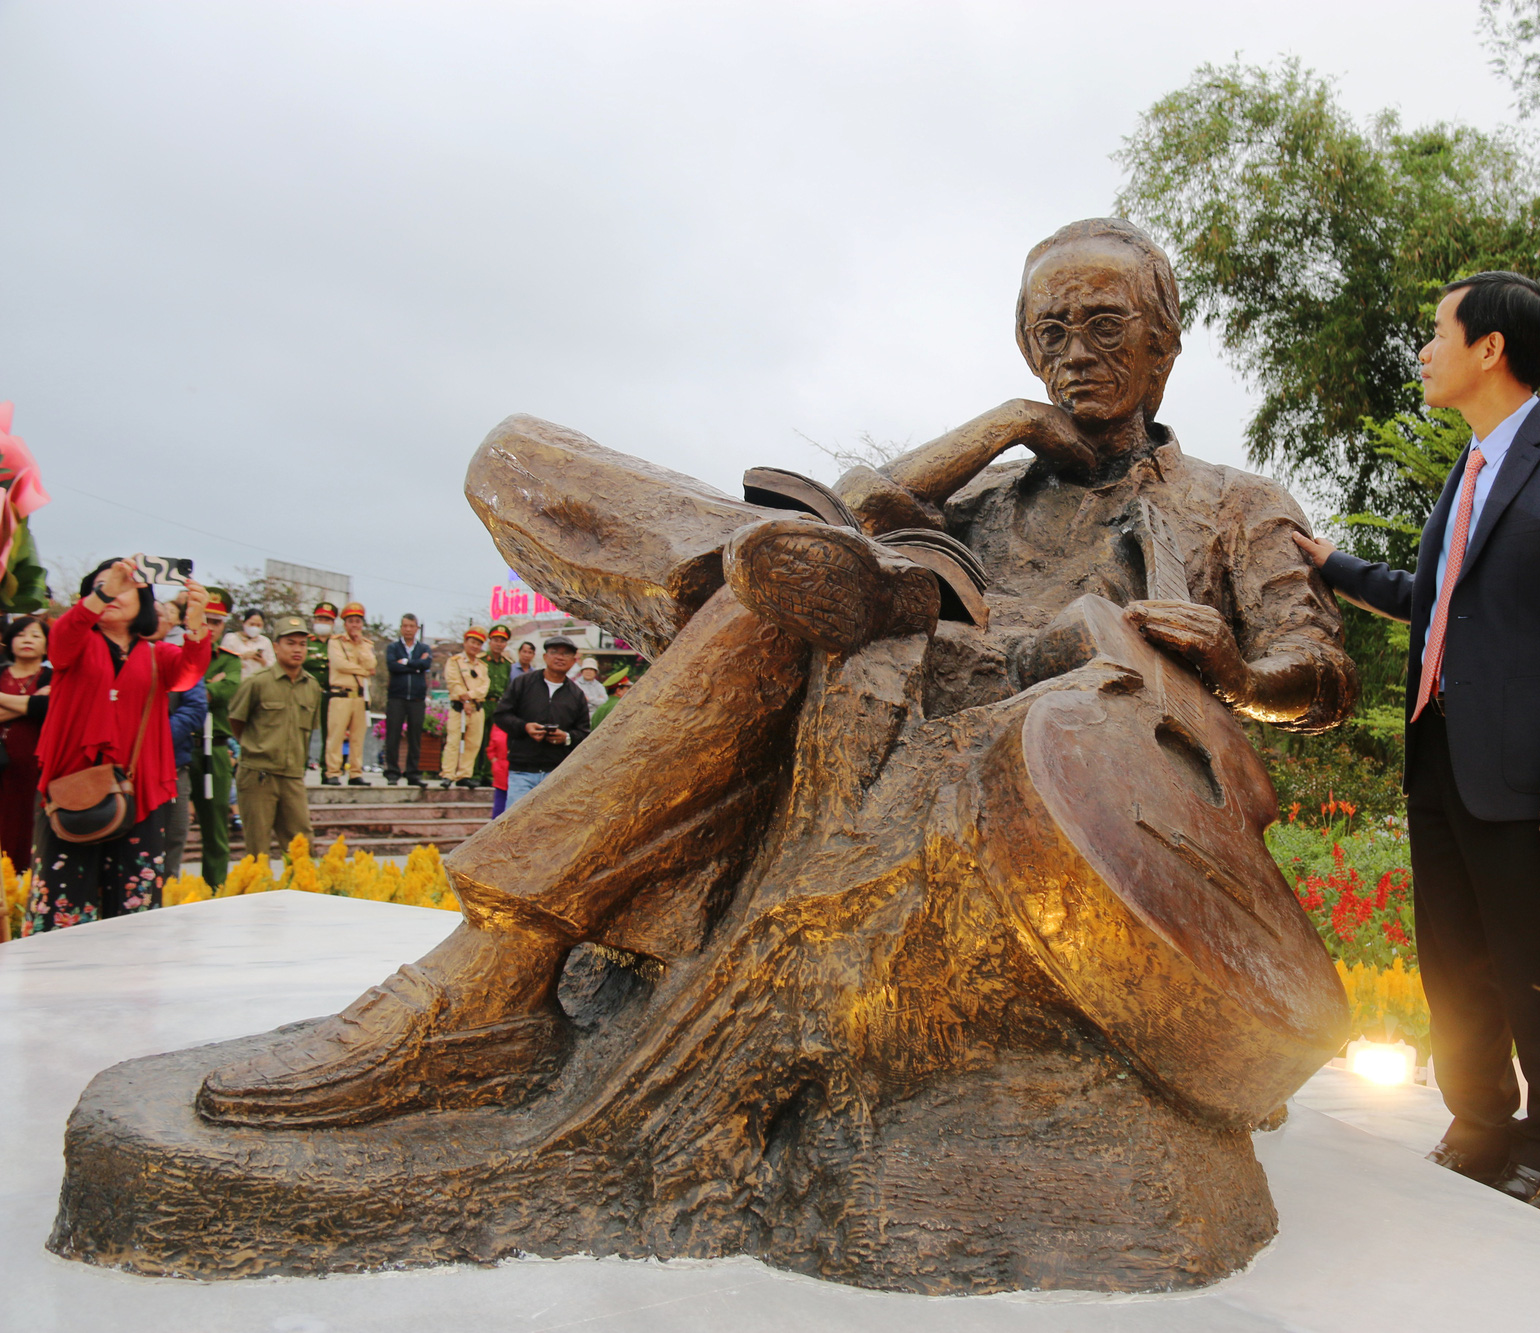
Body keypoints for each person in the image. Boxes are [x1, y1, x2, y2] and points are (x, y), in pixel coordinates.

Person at [196, 217, 1359, 1129]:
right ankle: (801, 581)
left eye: (1102, 327)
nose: (1073, 355)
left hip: (1044, 722)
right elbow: (856, 509)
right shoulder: (991, 487)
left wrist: (1240, 661)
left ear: (1164, 342)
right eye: (1046, 335)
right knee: (551, 470)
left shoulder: (1232, 503)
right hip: (902, 634)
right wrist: (1004, 424)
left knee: (802, 591)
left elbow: (1315, 673)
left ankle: (477, 983)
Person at [1298, 272, 1540, 1215]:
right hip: (1438, 752)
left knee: (1539, 960)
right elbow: (1443, 603)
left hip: (1528, 770)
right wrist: (1334, 566)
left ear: (1491, 348)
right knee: (1453, 957)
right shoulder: (1470, 465)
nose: (1425, 349)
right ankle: (1478, 1122)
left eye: (1438, 331)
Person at [30, 557, 211, 931]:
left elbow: (190, 672)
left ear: (144, 599)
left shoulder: (158, 654)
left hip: (137, 790)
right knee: (63, 901)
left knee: (135, 900)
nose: (112, 590)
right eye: (103, 584)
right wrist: (107, 588)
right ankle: (58, 983)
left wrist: (196, 620)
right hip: (72, 788)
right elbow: (61, 641)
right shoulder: (76, 641)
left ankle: (129, 982)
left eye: (125, 585)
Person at [230, 615, 323, 864]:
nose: (297, 649)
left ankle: (298, 900)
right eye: (290, 643)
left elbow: (310, 729)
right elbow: (237, 722)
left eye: (302, 644)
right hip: (258, 775)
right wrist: (257, 749)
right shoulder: (257, 683)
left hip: (292, 776)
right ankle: (257, 902)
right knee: (258, 852)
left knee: (302, 850)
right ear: (276, 645)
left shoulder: (312, 686)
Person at [491, 634, 591, 805]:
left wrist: (566, 737)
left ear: (574, 661)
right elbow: (501, 715)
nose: (559, 657)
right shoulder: (522, 683)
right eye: (554, 652)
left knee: (551, 827)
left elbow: (584, 733)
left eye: (566, 653)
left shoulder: (577, 695)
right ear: (545, 657)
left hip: (557, 772)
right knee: (516, 826)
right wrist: (524, 727)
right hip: (522, 771)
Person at [154, 596, 210, 882]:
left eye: (162, 614)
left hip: (173, 765)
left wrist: (157, 736)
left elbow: (195, 707)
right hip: (123, 771)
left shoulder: (178, 657)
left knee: (173, 840)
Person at [191, 590, 243, 889]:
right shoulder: (174, 653)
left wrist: (198, 688)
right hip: (178, 747)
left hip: (216, 749)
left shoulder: (228, 660)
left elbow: (224, 692)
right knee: (169, 828)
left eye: (217, 622)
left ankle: (215, 889)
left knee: (216, 830)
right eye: (205, 620)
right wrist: (208, 686)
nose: (210, 628)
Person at [0, 616, 52, 870]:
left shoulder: (54, 677)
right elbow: (41, 708)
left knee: (33, 827)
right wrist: (32, 704)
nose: (27, 640)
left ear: (46, 645)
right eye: (21, 634)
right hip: (3, 765)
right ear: (10, 641)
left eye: (35, 635)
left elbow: (53, 710)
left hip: (39, 766)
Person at [325, 603, 376, 786]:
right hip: (341, 694)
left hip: (360, 696)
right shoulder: (336, 642)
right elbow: (340, 665)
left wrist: (360, 645)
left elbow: (371, 664)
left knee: (357, 737)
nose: (355, 625)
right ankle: (332, 771)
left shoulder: (367, 644)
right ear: (345, 624)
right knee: (336, 735)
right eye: (351, 621)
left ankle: (355, 772)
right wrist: (362, 671)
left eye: (358, 621)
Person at [383, 613, 432, 787]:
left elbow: (426, 665)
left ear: (417, 628)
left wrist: (405, 663)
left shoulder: (424, 648)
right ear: (401, 627)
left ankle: (413, 773)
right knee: (393, 735)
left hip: (417, 698)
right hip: (397, 696)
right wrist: (415, 665)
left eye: (411, 626)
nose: (408, 629)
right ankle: (392, 772)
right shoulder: (393, 648)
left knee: (415, 737)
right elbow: (392, 666)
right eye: (405, 626)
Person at [442, 627, 490, 789]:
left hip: (477, 708)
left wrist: (470, 696)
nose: (475, 646)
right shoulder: (454, 661)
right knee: (453, 741)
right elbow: (453, 683)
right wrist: (465, 700)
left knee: (473, 743)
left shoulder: (482, 666)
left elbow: (484, 687)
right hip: (459, 708)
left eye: (479, 643)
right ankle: (448, 774)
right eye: (473, 642)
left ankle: (464, 774)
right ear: (465, 642)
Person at [471, 623, 511, 791]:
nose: (499, 644)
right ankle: (474, 774)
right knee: (476, 739)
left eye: (502, 641)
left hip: (498, 705)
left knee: (494, 742)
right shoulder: (480, 660)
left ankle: (488, 774)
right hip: (481, 702)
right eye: (496, 640)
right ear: (490, 641)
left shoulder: (507, 664)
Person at [303, 601, 338, 777]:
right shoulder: (307, 641)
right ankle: (300, 767)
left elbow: (338, 664)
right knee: (304, 730)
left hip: (330, 692)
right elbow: (304, 661)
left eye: (327, 619)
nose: (323, 622)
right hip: (308, 691)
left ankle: (327, 769)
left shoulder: (337, 643)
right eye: (320, 618)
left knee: (329, 732)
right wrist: (324, 661)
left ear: (333, 623)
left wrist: (317, 660)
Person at [221, 608, 275, 677]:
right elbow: (223, 662)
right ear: (244, 623)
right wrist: (242, 657)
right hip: (236, 681)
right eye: (252, 624)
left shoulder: (265, 641)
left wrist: (262, 661)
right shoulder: (231, 638)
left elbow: (273, 666)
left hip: (258, 681)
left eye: (258, 625)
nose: (255, 628)